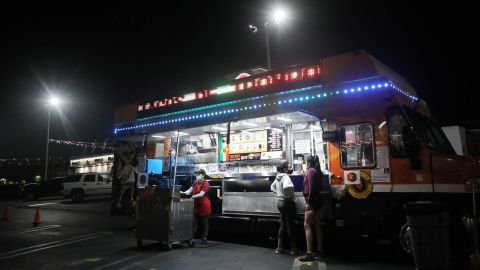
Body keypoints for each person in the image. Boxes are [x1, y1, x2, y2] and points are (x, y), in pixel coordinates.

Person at [298, 155, 325, 262]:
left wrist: (309, 203)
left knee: (307, 225)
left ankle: (309, 253)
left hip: (312, 202)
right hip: (318, 201)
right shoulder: (316, 171)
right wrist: (304, 175)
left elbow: (312, 188)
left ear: (308, 162)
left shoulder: (310, 171)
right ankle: (320, 250)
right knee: (317, 225)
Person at [271, 162, 299, 255]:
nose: (290, 168)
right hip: (287, 203)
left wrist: (278, 195)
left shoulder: (278, 177)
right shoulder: (286, 177)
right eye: (288, 167)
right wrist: (290, 196)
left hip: (280, 203)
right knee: (290, 226)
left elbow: (272, 187)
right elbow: (287, 187)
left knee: (283, 225)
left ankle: (279, 248)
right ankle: (294, 249)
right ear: (285, 169)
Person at [180, 169, 211, 245]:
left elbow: (201, 194)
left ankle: (204, 238)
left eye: (198, 175)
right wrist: (183, 193)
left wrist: (192, 197)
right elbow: (189, 190)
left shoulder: (206, 184)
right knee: (193, 222)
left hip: (204, 206)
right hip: (196, 206)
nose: (196, 176)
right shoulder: (195, 182)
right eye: (196, 175)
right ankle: (189, 237)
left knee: (204, 223)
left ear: (203, 175)